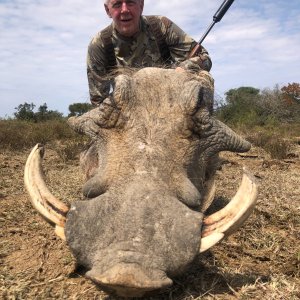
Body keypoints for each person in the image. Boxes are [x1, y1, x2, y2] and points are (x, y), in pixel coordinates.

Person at [87, 0, 212, 106]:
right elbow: (98, 101)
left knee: (204, 78)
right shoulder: (99, 45)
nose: (124, 10)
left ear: (141, 5)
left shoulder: (161, 26)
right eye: (117, 4)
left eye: (130, 2)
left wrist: (183, 70)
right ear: (107, 10)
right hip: (129, 116)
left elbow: (204, 58)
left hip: (173, 104)